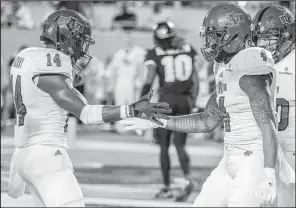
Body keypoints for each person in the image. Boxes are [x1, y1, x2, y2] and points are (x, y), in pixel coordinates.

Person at [121, 3, 294, 206]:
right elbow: (207, 120)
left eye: (215, 36)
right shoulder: (224, 65)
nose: (210, 42)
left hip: (253, 159)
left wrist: (268, 174)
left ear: (234, 35)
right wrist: (157, 121)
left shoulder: (251, 61)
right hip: (230, 159)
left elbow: (267, 123)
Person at [7, 9, 171, 207]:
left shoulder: (28, 56)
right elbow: (85, 113)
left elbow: (62, 98)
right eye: (78, 39)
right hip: (47, 158)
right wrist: (131, 110)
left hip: (26, 155)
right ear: (65, 37)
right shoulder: (51, 68)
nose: (81, 46)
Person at [140, 21, 199, 202]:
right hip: (185, 100)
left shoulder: (154, 52)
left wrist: (142, 101)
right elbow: (195, 79)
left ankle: (166, 187)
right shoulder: (187, 47)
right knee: (180, 145)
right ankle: (188, 179)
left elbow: (149, 79)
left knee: (164, 146)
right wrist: (193, 101)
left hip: (166, 100)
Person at [251, 5, 295, 207]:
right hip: (264, 151)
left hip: (290, 151)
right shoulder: (257, 63)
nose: (264, 43)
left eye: (271, 36)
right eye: (260, 37)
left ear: (287, 35)